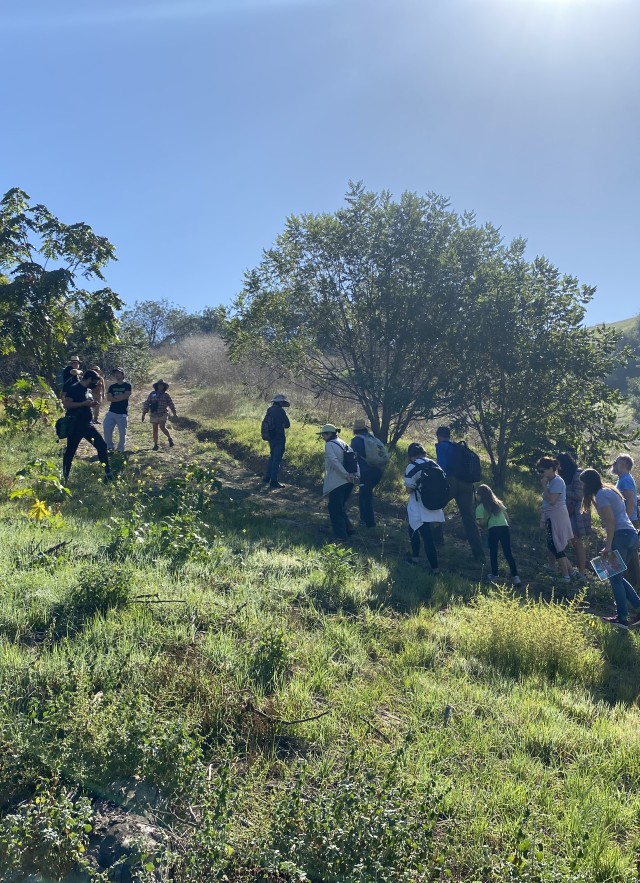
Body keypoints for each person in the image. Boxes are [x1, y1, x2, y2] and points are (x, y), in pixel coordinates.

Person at [580, 467, 640, 629]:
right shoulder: (607, 490)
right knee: (618, 576)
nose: (581, 487)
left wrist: (607, 547)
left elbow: (611, 523)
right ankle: (638, 609)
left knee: (614, 578)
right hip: (631, 536)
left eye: (582, 484)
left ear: (588, 484)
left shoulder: (601, 495)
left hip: (621, 536)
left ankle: (622, 618)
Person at [435, 426, 484, 561]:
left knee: (436, 508)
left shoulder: (441, 447)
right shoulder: (458, 447)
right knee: (468, 518)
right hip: (467, 484)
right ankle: (479, 554)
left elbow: (442, 467)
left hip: (451, 482)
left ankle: (438, 543)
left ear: (438, 436)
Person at [61, 370, 112, 482]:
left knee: (102, 446)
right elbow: (66, 404)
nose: (95, 384)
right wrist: (83, 404)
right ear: (88, 379)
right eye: (94, 381)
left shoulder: (87, 390)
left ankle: (108, 473)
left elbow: (85, 403)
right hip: (75, 425)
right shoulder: (74, 388)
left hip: (87, 425)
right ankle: (65, 477)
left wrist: (91, 404)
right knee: (70, 451)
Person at [403, 443, 444, 572]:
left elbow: (409, 490)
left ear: (411, 456)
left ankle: (434, 569)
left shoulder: (412, 466)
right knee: (414, 530)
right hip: (436, 504)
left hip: (419, 505)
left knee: (425, 537)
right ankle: (416, 559)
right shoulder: (434, 464)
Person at [318, 423, 359, 541]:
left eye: (323, 435)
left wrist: (345, 475)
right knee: (338, 506)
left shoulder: (330, 444)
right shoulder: (344, 443)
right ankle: (349, 528)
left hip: (339, 481)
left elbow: (334, 461)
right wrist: (355, 475)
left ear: (329, 434)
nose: (323, 437)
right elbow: (354, 460)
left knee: (334, 509)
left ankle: (341, 536)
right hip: (350, 480)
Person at [475, 484, 521, 585]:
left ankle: (495, 575)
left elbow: (482, 523)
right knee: (508, 552)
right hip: (504, 528)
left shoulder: (480, 507)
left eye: (477, 494)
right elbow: (507, 518)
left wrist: (478, 524)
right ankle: (516, 577)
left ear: (480, 495)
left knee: (493, 552)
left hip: (493, 529)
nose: (476, 496)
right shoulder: (498, 503)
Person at [537, 456, 573, 581]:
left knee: (557, 545)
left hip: (557, 515)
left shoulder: (557, 481)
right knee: (552, 544)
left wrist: (544, 487)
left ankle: (566, 576)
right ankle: (571, 572)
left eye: (543, 470)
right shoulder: (552, 482)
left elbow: (552, 500)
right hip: (551, 515)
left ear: (552, 469)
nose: (542, 474)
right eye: (540, 471)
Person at [557, 452, 591, 582]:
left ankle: (582, 573)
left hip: (576, 515)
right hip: (565, 512)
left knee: (577, 543)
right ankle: (565, 570)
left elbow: (578, 495)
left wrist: (562, 490)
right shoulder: (563, 476)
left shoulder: (577, 474)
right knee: (559, 542)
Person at [611, 454, 640, 590]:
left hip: (629, 521)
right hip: (629, 521)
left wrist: (625, 519)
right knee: (629, 555)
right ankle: (630, 585)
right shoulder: (623, 479)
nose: (614, 464)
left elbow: (630, 501)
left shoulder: (626, 480)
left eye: (616, 462)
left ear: (622, 464)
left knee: (630, 556)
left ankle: (632, 585)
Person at [350, 418, 385, 528]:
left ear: (355, 430)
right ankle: (367, 521)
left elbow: (352, 457)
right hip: (378, 471)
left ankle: (368, 522)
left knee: (365, 497)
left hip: (365, 472)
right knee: (365, 494)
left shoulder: (356, 441)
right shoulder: (372, 438)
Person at [262, 394, 290, 488]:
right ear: (280, 402)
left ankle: (267, 477)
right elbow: (287, 424)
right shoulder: (280, 411)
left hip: (271, 437)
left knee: (272, 457)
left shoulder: (269, 410)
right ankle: (274, 481)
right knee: (277, 459)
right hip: (279, 437)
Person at [142, 380, 177, 451]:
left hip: (162, 413)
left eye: (162, 385)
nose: (160, 386)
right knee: (155, 429)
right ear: (157, 386)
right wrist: (144, 413)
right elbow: (147, 403)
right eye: (159, 385)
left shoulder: (166, 395)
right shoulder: (152, 394)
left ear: (164, 386)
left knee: (162, 427)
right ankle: (155, 444)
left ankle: (169, 438)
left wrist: (174, 413)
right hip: (154, 414)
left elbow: (171, 404)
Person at [103, 368, 132, 454]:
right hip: (111, 412)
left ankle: (120, 449)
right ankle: (110, 447)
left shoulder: (127, 385)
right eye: (115, 373)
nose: (116, 374)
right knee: (106, 429)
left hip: (122, 413)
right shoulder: (112, 386)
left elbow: (126, 396)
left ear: (123, 375)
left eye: (119, 373)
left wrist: (114, 397)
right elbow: (108, 398)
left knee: (122, 433)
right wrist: (120, 397)